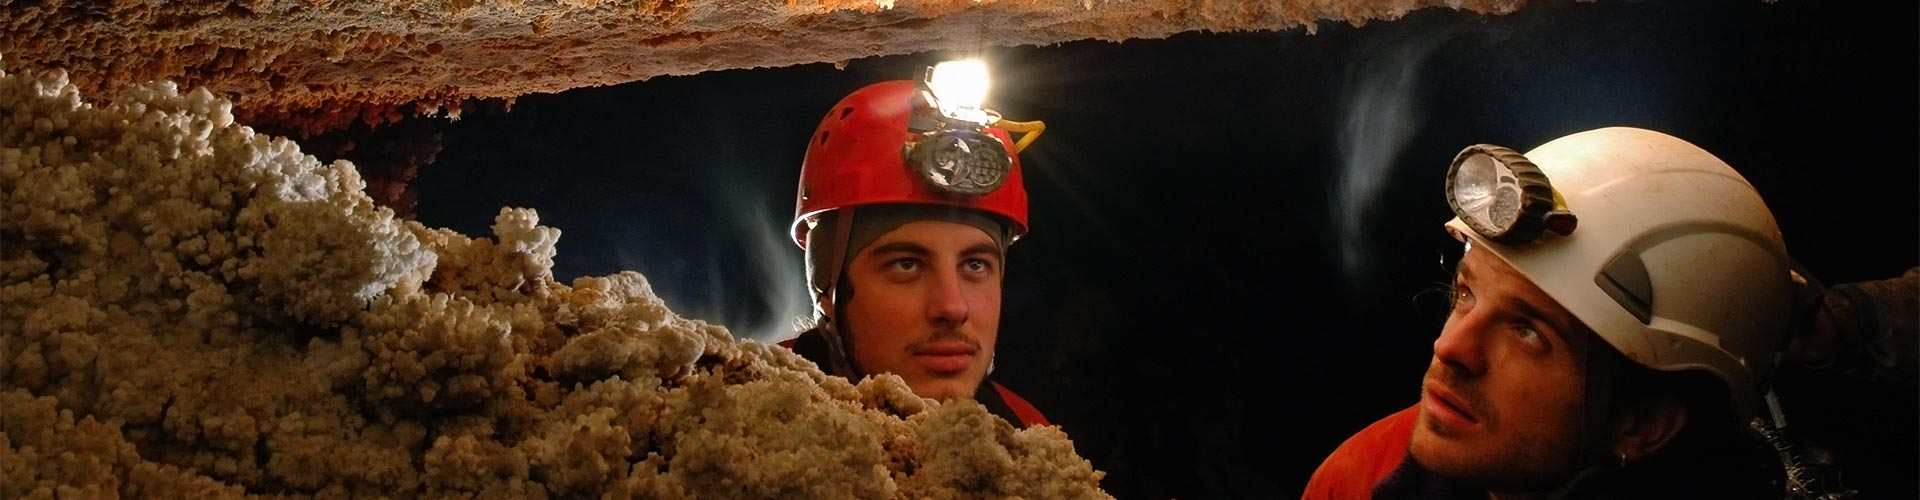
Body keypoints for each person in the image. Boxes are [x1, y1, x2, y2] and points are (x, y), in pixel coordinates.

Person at [1305, 127, 1823, 498]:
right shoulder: (1361, 474)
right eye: (1466, 293)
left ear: (1642, 423)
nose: (1451, 348)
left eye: (1529, 332)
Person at [778, 62, 1051, 428]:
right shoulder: (726, 423)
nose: (953, 308)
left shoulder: (1027, 436)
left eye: (975, 265)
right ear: (827, 284)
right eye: (906, 264)